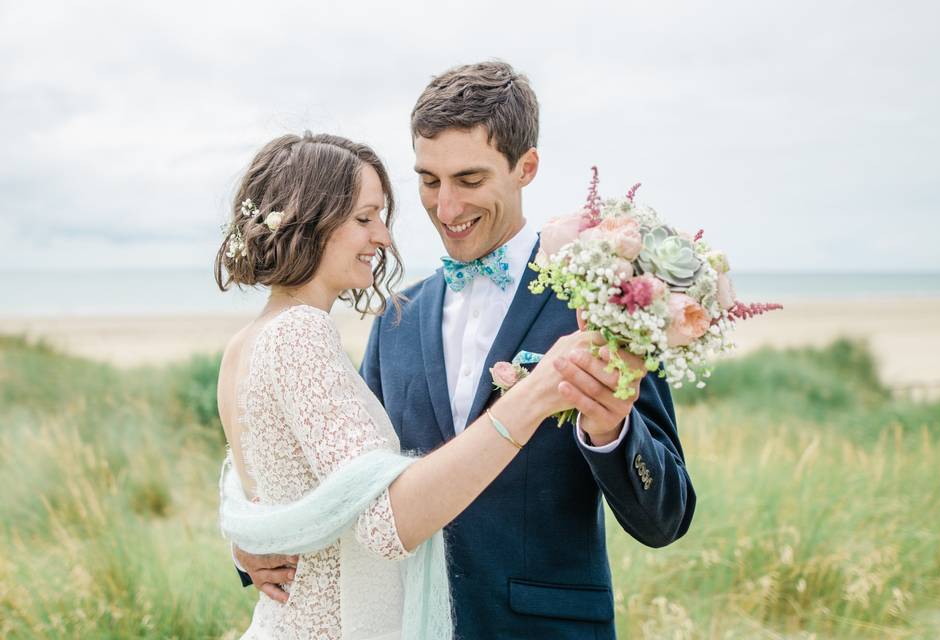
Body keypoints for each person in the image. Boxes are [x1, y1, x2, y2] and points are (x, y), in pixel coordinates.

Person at [236, 62, 696, 638]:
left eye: (469, 180)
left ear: (526, 167)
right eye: (429, 180)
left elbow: (667, 517)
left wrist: (611, 433)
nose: (445, 208)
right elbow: (346, 481)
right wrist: (253, 541)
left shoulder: (598, 299)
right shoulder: (397, 318)